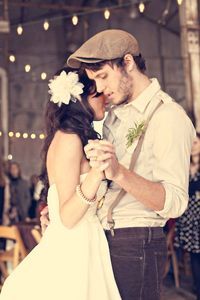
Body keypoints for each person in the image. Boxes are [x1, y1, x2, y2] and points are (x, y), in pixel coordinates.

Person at [65, 29, 195, 300]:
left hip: (137, 241)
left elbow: (175, 202)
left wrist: (119, 172)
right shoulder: (113, 115)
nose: (99, 88)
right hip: (103, 238)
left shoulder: (168, 117)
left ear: (127, 62)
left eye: (102, 76)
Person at [0, 68, 122, 300]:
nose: (105, 98)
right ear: (80, 99)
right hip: (74, 247)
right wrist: (97, 173)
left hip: (86, 242)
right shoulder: (69, 139)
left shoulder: (73, 136)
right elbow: (67, 216)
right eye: (98, 94)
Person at [174, 133, 200, 300]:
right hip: (189, 217)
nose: (193, 145)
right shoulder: (182, 167)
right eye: (190, 142)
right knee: (194, 256)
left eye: (196, 142)